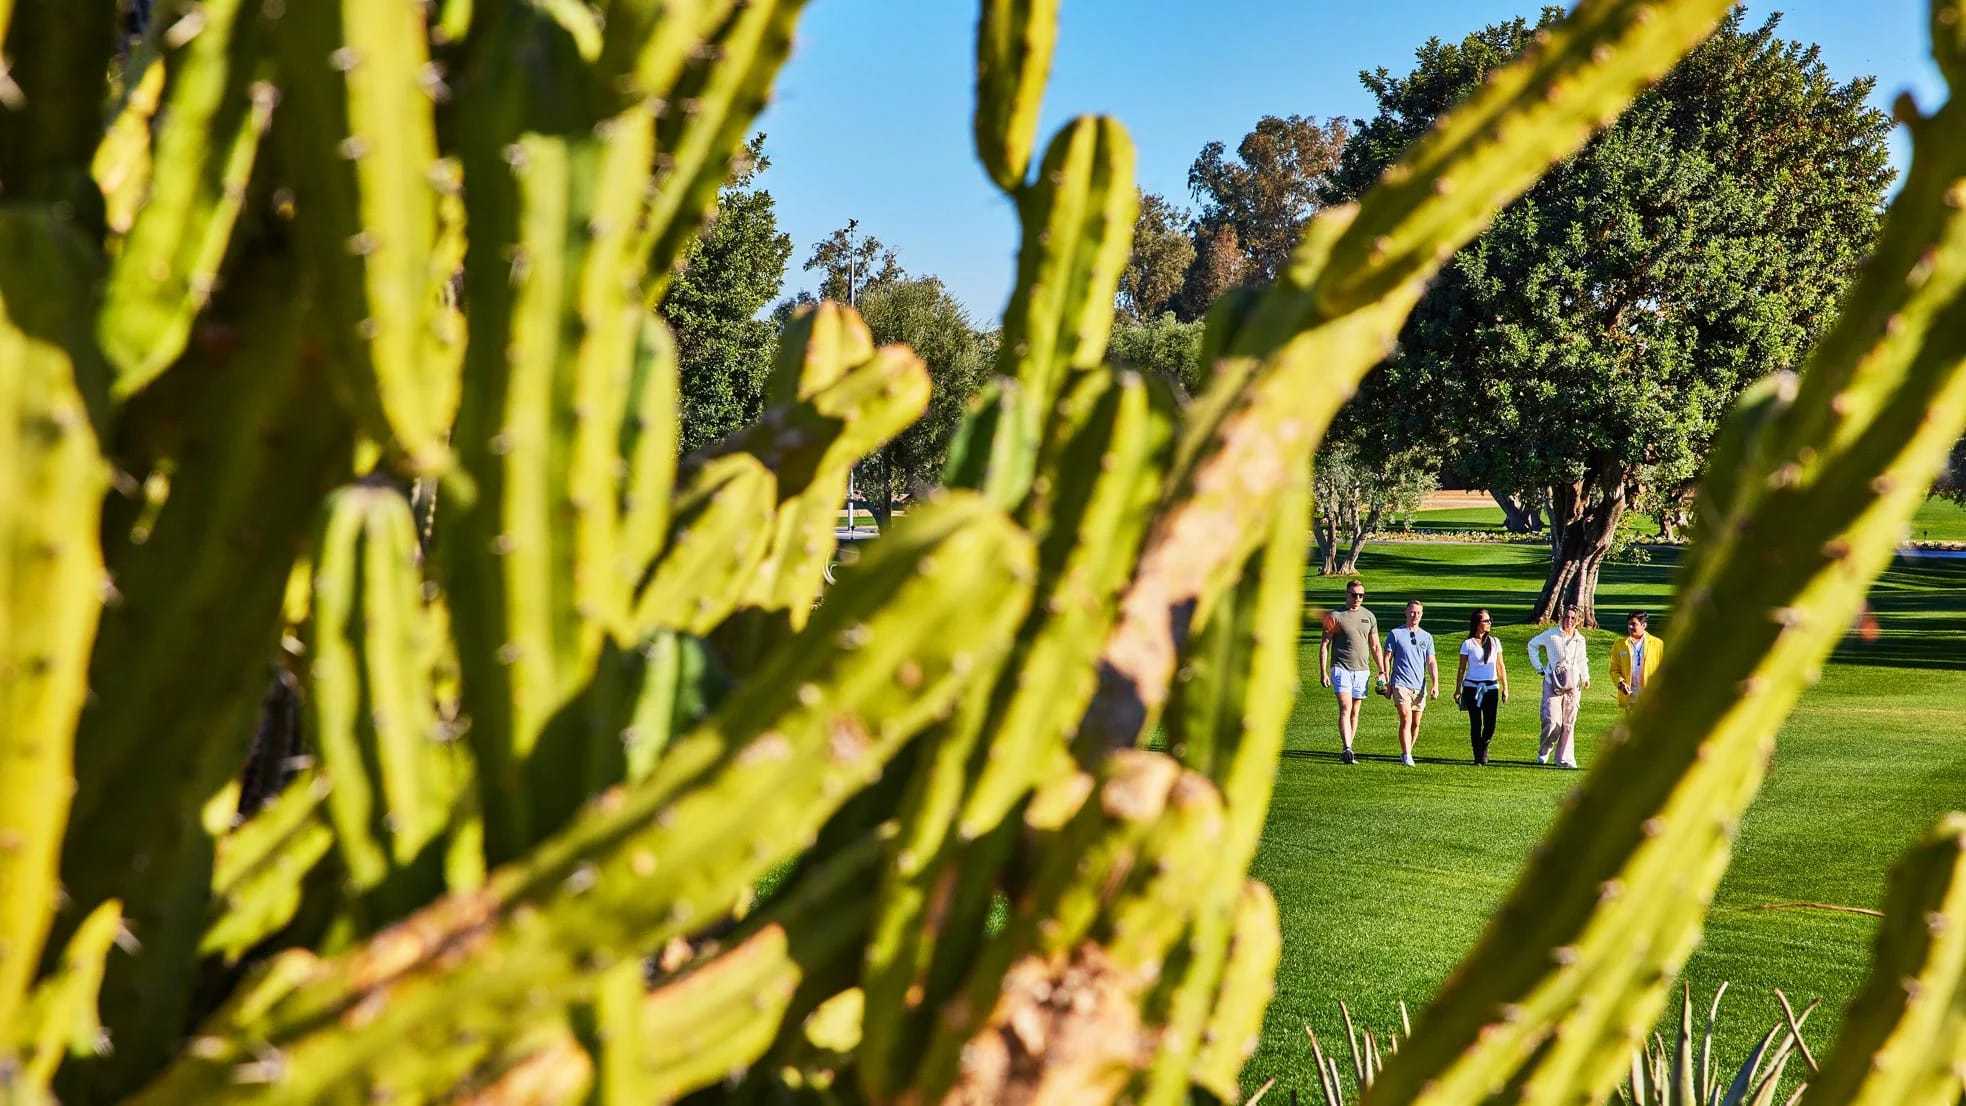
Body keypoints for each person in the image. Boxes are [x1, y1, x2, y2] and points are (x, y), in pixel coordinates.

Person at [1319, 578, 1383, 765]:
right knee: (1345, 707)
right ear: (1347, 594)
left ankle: (1348, 749)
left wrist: (1382, 670)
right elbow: (1324, 645)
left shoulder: (1369, 616)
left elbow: (1375, 646)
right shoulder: (1335, 616)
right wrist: (1323, 672)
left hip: (1362, 670)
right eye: (1354, 595)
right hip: (1341, 668)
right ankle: (1347, 747)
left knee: (1355, 711)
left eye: (1361, 595)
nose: (1357, 598)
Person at [1527, 605, 1591, 768]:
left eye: (1573, 618)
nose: (1569, 621)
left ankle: (1565, 759)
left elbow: (1582, 660)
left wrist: (1585, 677)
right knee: (1552, 720)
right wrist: (1539, 667)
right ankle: (1544, 751)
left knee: (1569, 723)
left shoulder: (1579, 639)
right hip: (1552, 682)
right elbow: (1532, 645)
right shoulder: (1551, 635)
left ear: (1578, 621)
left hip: (1573, 685)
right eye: (1567, 617)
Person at [1382, 600, 1439, 766]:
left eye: (1419, 613)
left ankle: (1407, 751)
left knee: (1416, 723)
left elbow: (1431, 662)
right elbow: (1387, 658)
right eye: (1413, 612)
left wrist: (1435, 684)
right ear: (1406, 612)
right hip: (1400, 683)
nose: (1415, 616)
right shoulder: (1395, 634)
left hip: (1419, 686)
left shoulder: (1427, 637)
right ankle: (1407, 755)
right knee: (1406, 719)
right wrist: (1387, 680)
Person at [1455, 608, 1509, 765]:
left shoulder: (1495, 642)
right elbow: (1461, 668)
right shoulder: (1467, 644)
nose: (1489, 623)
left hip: (1491, 688)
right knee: (1476, 722)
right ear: (1477, 623)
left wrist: (1505, 687)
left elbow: (1500, 665)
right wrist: (1457, 689)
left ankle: (1484, 744)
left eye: (1490, 620)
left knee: (1490, 723)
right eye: (1486, 621)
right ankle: (1478, 755)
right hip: (1472, 688)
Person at [1610, 611, 1664, 709]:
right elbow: (1614, 670)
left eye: (1634, 624)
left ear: (1643, 625)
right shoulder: (1619, 645)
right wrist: (1621, 683)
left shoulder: (1657, 644)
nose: (1630, 627)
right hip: (1630, 698)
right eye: (1629, 624)